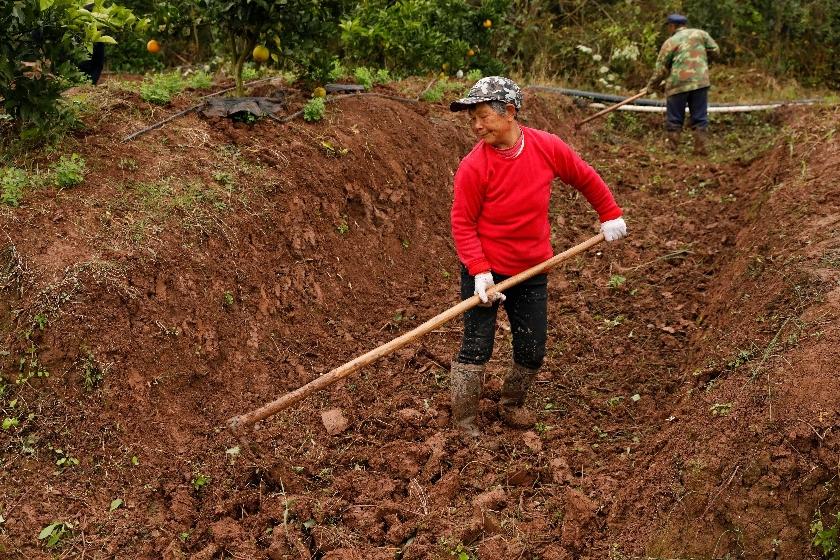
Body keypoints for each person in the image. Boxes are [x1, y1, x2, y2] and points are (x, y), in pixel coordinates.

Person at [448, 76, 628, 436]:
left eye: (482, 116)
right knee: (476, 346)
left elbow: (585, 177)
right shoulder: (474, 166)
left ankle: (511, 405)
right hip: (485, 272)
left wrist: (609, 213)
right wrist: (480, 272)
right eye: (473, 118)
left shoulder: (547, 147)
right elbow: (462, 223)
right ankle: (464, 420)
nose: (476, 125)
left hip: (532, 268)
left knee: (531, 348)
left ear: (510, 112)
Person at [646, 13, 719, 155]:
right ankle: (701, 149)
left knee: (675, 117)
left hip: (678, 84)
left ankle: (671, 150)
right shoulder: (701, 34)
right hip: (700, 82)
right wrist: (703, 61)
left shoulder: (671, 41)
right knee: (699, 116)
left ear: (672, 26)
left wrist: (651, 86)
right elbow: (715, 51)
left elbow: (660, 69)